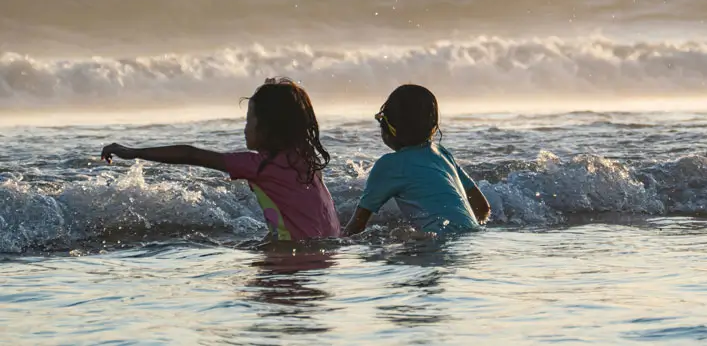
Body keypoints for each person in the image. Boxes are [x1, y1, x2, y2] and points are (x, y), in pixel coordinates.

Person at [100, 78, 340, 241]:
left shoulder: (260, 166)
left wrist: (134, 152)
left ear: (268, 128)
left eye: (249, 121)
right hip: (327, 247)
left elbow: (191, 154)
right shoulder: (306, 160)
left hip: (298, 256)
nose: (245, 129)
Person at [343, 84, 491, 237]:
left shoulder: (389, 165)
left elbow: (357, 225)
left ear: (388, 127)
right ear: (433, 127)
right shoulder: (442, 154)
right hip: (470, 237)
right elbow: (482, 207)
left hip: (437, 243)